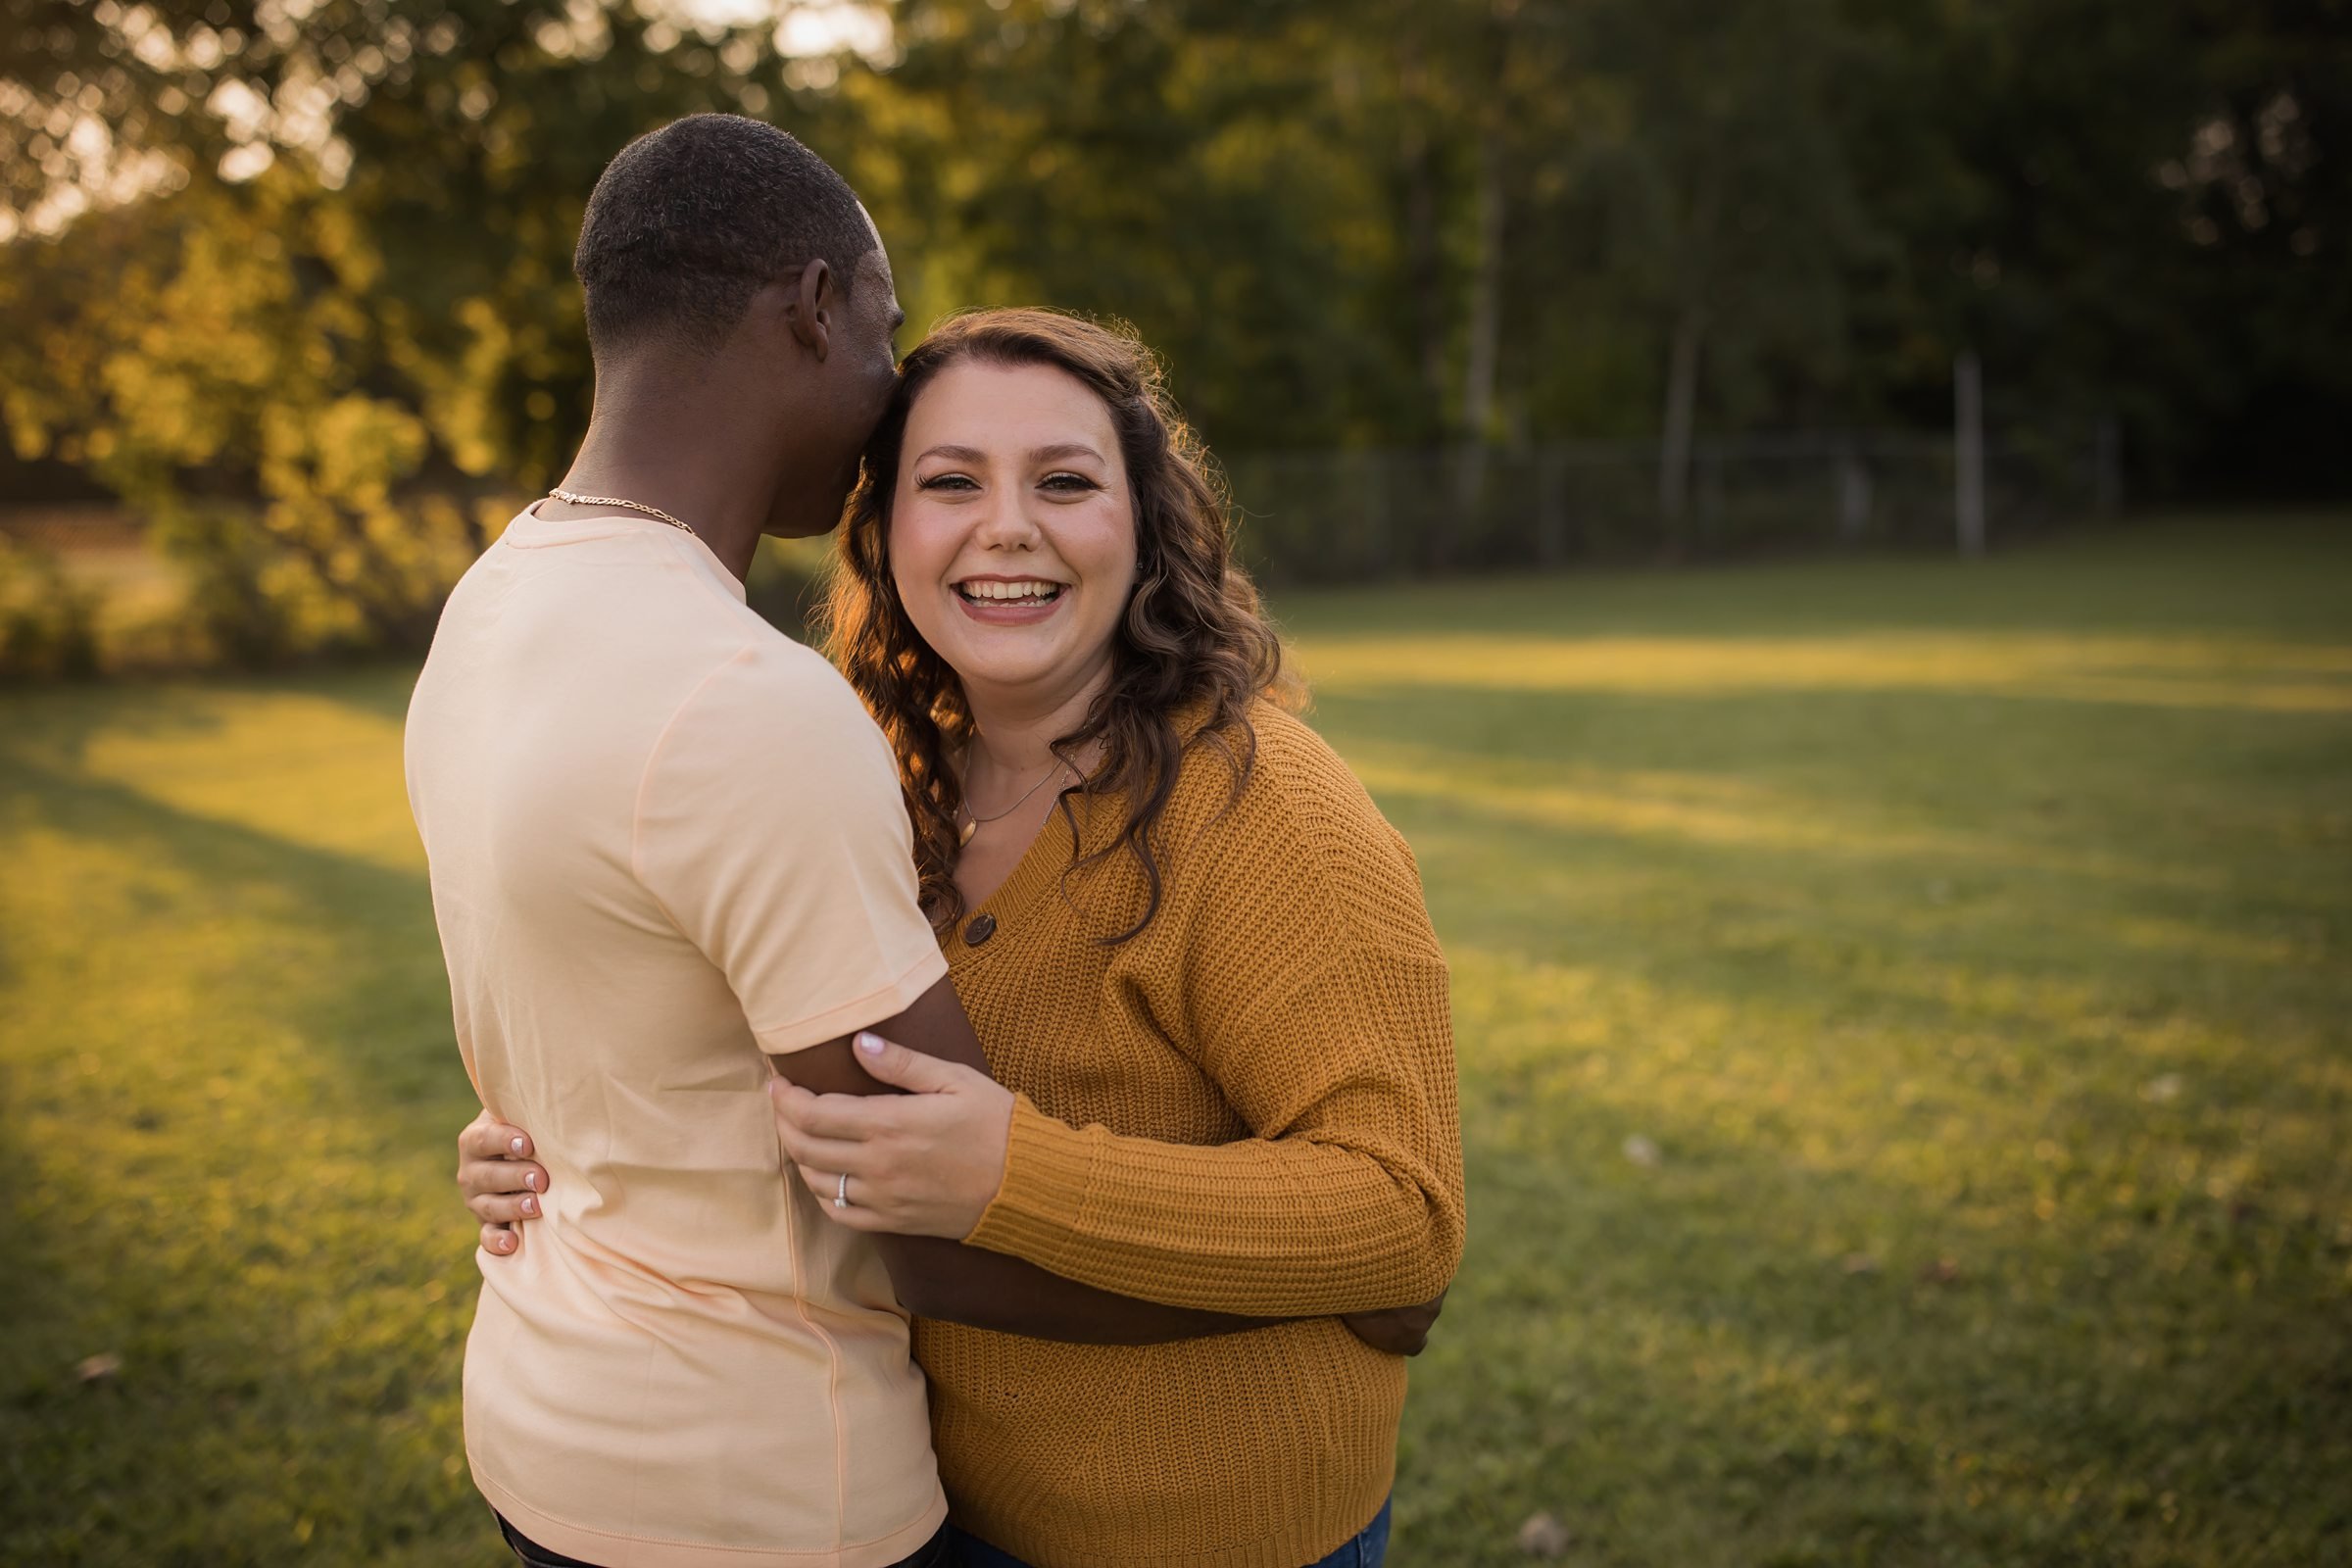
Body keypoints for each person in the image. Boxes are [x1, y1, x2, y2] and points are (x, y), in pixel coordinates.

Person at [410, 116, 1374, 1568]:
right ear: (812, 307)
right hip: (758, 1485)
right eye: (886, 328)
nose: (884, 392)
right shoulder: (750, 706)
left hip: (552, 1430)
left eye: (1061, 481)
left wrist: (576, 1135)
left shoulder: (490, 608)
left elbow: (618, 993)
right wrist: (1326, 1290)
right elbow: (935, 1220)